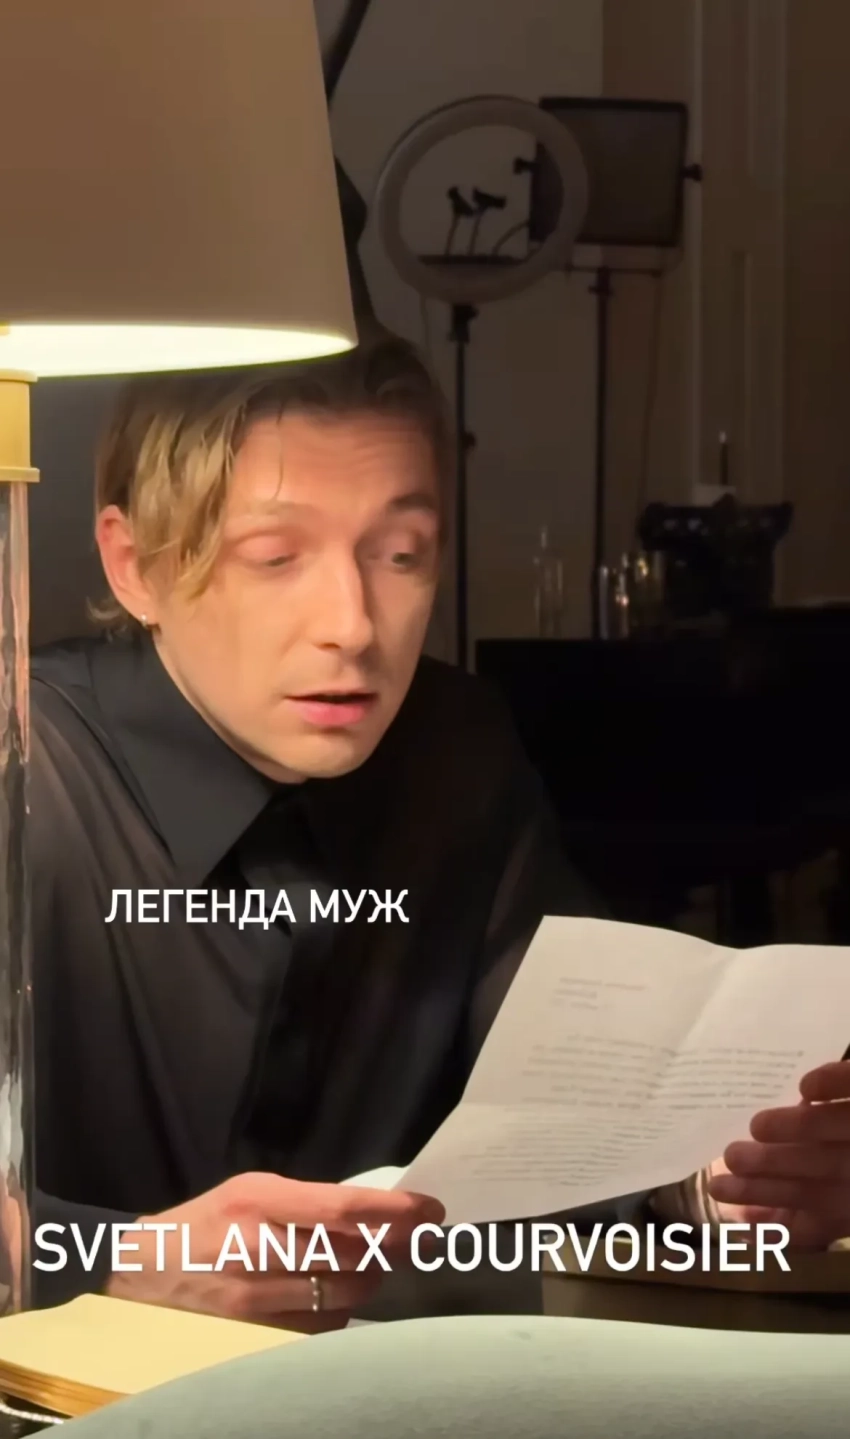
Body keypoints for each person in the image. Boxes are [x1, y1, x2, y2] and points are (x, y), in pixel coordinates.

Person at [30, 332, 850, 1328]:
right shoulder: (29, 771)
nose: (353, 624)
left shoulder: (456, 752)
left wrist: (718, 1182)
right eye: (277, 557)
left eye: (400, 554)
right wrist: (117, 1259)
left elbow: (581, 1113)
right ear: (134, 565)